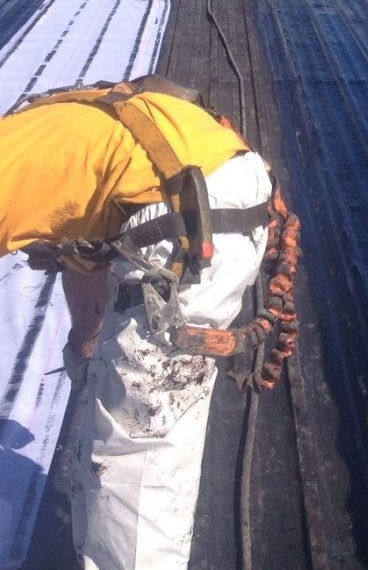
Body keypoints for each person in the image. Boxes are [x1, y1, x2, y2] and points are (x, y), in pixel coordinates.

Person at [0, 77, 275, 568]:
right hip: (219, 183)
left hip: (190, 218)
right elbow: (84, 262)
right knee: (117, 410)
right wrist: (84, 347)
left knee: (138, 447)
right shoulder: (38, 146)